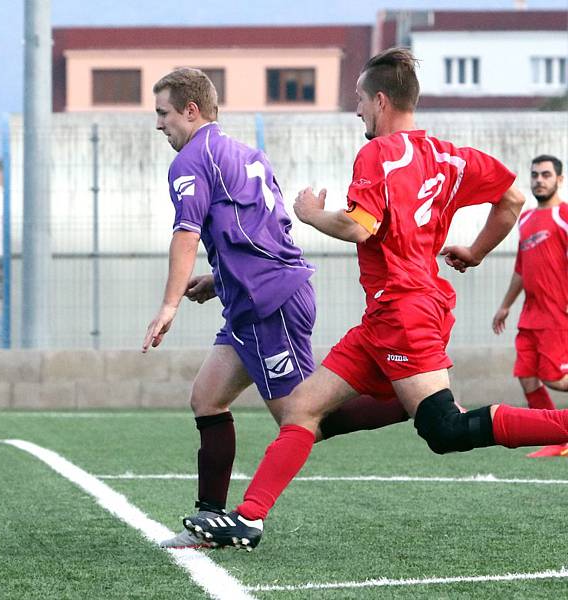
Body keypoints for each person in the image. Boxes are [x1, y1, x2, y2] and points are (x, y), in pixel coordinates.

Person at [184, 48, 568, 551]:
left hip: (405, 310)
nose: (358, 110)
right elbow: (512, 200)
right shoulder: (453, 155)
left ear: (381, 100)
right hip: (388, 314)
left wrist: (312, 214)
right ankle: (249, 519)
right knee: (301, 410)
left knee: (443, 428)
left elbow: (360, 226)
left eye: (360, 100)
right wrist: (474, 252)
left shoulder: (379, 153)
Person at [143, 67, 409, 548]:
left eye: (163, 113)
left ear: (190, 109)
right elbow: (263, 232)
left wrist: (168, 306)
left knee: (304, 418)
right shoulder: (246, 153)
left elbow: (186, 233)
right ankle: (210, 520)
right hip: (254, 300)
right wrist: (219, 281)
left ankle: (413, 399)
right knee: (207, 397)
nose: (159, 124)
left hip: (271, 304)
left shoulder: (189, 162)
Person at [492, 155, 568, 458]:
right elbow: (521, 269)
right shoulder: (524, 219)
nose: (539, 180)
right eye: (535, 175)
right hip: (529, 315)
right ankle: (558, 439)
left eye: (546, 175)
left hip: (556, 314)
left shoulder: (564, 215)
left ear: (559, 180)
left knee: (554, 378)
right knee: (526, 375)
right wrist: (506, 306)